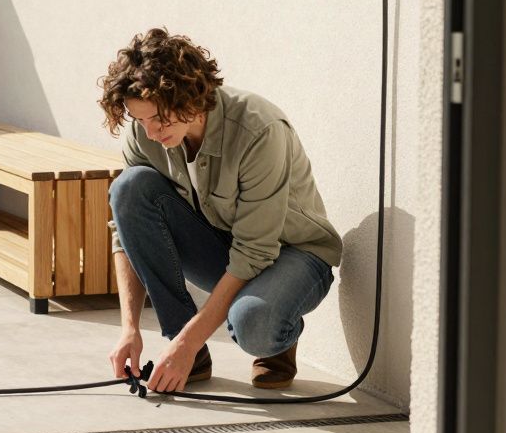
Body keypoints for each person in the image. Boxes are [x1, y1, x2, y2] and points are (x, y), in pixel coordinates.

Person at [99, 27, 343, 393]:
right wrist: (130, 328)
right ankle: (188, 350)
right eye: (140, 120)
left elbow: (255, 250)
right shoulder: (145, 133)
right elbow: (126, 229)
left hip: (295, 254)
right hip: (227, 246)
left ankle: (276, 331)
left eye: (159, 120)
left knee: (254, 326)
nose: (150, 132)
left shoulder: (259, 129)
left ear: (190, 99)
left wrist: (188, 340)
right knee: (129, 188)